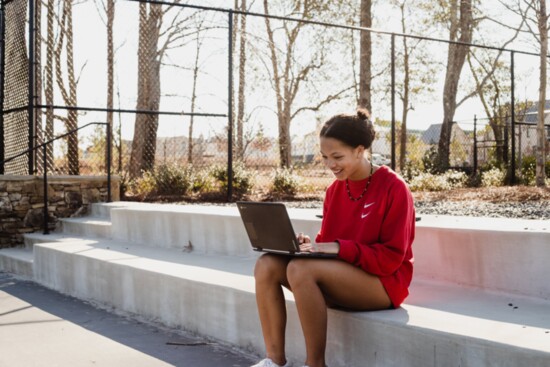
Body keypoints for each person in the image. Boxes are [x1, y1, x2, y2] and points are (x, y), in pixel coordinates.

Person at [251, 108, 416, 367]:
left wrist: (338, 248)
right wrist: (309, 246)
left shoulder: (394, 187)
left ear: (360, 151)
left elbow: (391, 259)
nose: (330, 165)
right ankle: (274, 361)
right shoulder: (335, 190)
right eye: (325, 157)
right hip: (343, 277)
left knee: (300, 270)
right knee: (266, 264)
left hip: (383, 284)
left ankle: (315, 364)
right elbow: (328, 242)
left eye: (337, 156)